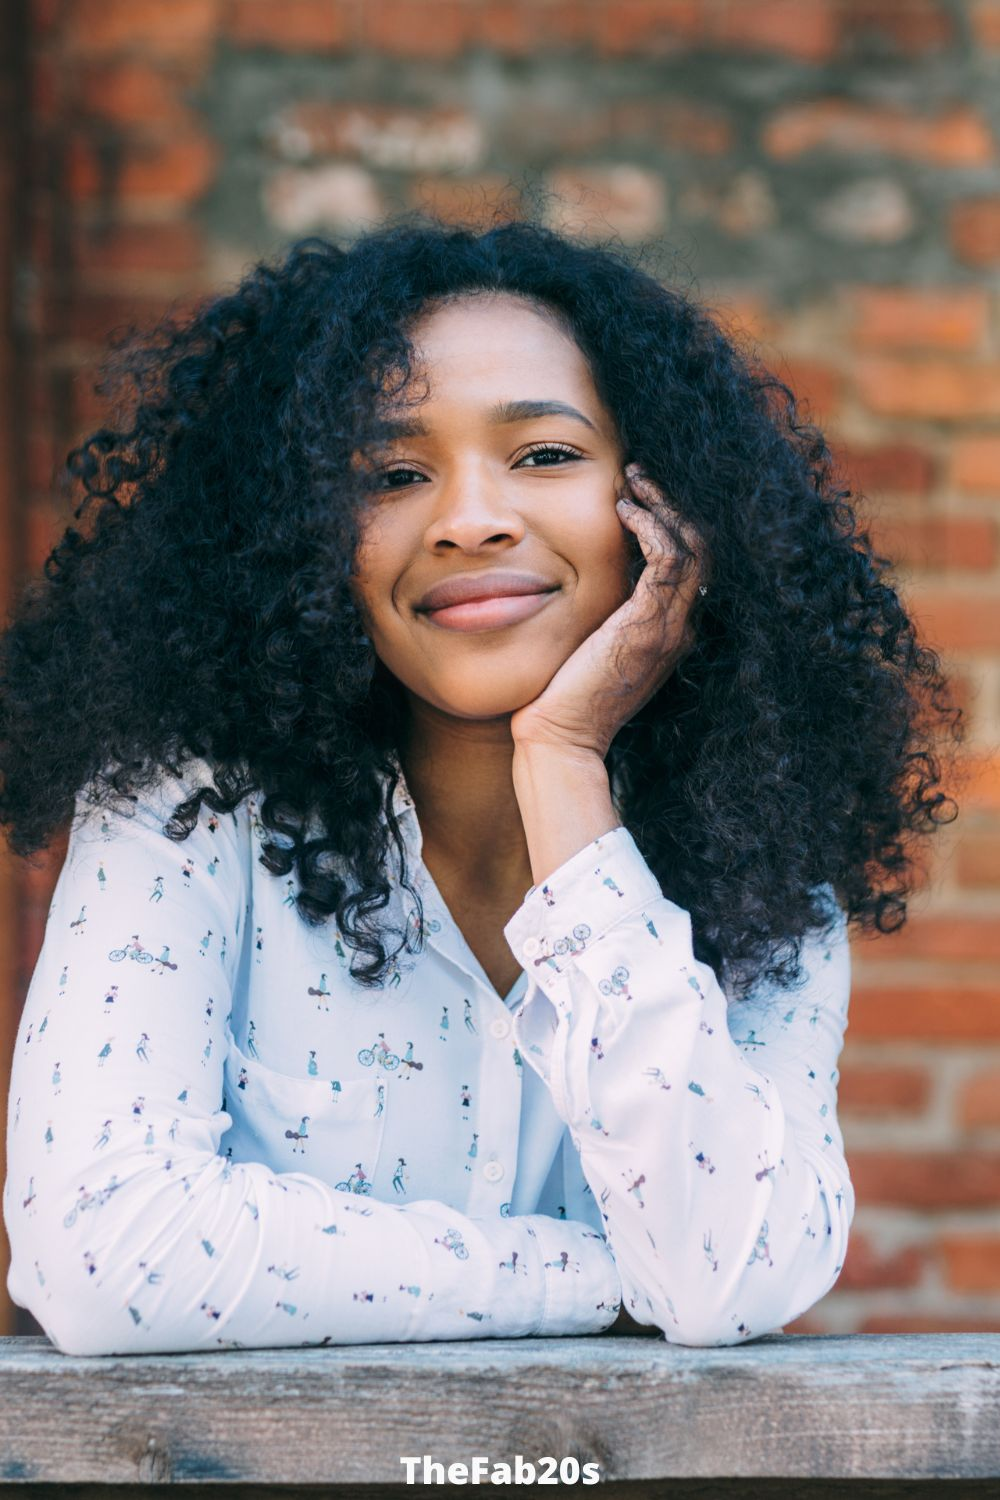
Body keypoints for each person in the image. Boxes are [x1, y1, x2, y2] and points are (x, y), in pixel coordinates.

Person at [0, 211, 965, 1357]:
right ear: (303, 540)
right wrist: (596, 1279)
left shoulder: (761, 869)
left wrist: (562, 765)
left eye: (545, 455)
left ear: (671, 511)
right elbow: (104, 1256)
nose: (469, 521)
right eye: (393, 472)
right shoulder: (186, 813)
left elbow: (729, 1276)